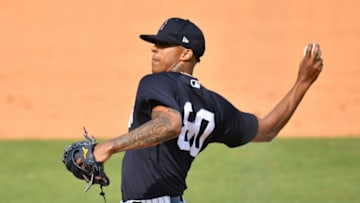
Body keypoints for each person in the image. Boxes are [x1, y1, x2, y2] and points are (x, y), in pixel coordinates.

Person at [93, 17, 323, 203]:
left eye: (164, 44)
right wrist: (303, 82)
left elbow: (169, 124)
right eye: (155, 43)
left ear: (186, 53)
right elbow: (268, 130)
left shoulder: (156, 82)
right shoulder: (214, 105)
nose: (155, 49)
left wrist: (107, 147)